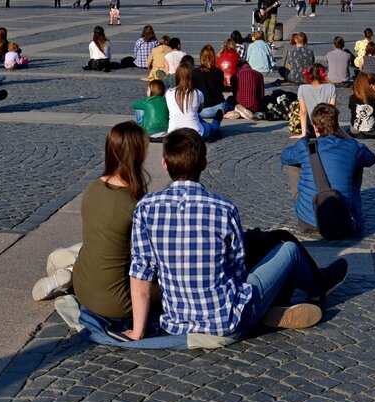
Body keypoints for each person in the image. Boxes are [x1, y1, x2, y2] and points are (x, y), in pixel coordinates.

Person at [125, 129, 347, 342]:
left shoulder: (146, 207)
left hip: (177, 324)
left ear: (165, 165)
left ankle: (270, 309)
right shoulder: (223, 208)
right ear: (204, 164)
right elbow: (237, 269)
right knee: (288, 249)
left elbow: (141, 272)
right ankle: (316, 290)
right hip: (228, 321)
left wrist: (137, 331)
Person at [32, 122, 154, 321]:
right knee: (169, 285)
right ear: (138, 155)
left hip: (83, 287)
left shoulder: (92, 188)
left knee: (94, 244)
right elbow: (144, 257)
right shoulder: (135, 203)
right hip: (117, 302)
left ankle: (70, 273)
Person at [283, 103, 375, 233]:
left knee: (293, 164)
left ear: (315, 127)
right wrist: (347, 137)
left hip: (309, 220)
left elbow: (284, 157)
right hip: (341, 219)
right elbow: (371, 158)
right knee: (357, 163)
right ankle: (355, 215)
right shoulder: (351, 146)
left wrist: (303, 143)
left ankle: (307, 207)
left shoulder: (304, 146)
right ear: (336, 125)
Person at [165, 60, 222, 140]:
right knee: (211, 127)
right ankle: (217, 120)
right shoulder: (198, 93)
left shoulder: (169, 93)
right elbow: (200, 109)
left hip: (173, 132)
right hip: (195, 132)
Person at [295, 63, 337, 139]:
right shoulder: (331, 88)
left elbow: (303, 112)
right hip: (326, 126)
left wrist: (303, 133)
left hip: (311, 126)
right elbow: (332, 110)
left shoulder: (302, 88)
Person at [347, 71, 375, 138]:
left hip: (354, 130)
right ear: (371, 86)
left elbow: (350, 107)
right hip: (373, 132)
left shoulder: (353, 97)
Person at [192, 45, 228, 119]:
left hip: (203, 110)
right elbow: (221, 90)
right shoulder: (219, 72)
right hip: (219, 107)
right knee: (230, 101)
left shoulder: (195, 72)